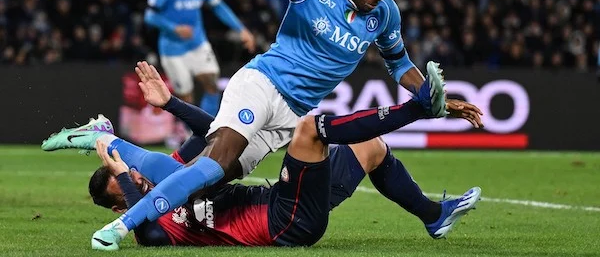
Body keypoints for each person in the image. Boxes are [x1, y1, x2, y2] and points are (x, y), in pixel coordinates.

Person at [83, 0, 484, 248]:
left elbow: (399, 64)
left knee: (367, 147)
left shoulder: (385, 14)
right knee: (217, 161)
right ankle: (123, 223)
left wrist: (434, 96)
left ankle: (434, 216)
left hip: (291, 113)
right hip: (262, 83)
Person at [42, 64, 480, 250]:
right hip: (283, 224)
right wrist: (122, 171)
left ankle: (433, 215)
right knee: (309, 130)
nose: (138, 178)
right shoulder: (155, 232)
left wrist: (169, 103)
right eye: (128, 184)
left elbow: (213, 137)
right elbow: (146, 226)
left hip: (284, 203)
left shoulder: (176, 179)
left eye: (133, 175)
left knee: (371, 148)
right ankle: (418, 109)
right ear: (120, 207)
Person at [144, 0, 256, 117]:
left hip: (198, 44)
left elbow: (219, 7)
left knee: (212, 85)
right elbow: (150, 16)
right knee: (186, 97)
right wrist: (174, 28)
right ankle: (191, 130)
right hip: (173, 50)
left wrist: (241, 29)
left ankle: (207, 127)